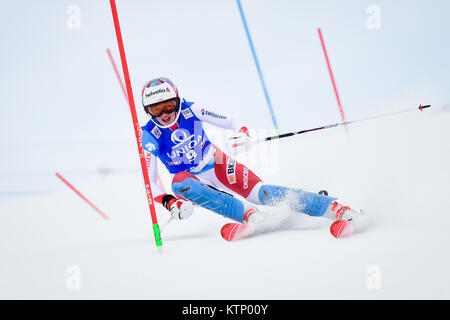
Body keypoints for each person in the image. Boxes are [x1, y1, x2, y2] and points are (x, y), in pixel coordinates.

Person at [141, 77, 368, 240]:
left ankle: (336, 209)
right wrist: (170, 202)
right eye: (156, 109)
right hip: (191, 180)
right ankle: (251, 217)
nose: (164, 114)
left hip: (217, 163)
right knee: (179, 183)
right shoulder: (151, 135)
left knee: (262, 194)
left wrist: (242, 132)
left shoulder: (192, 110)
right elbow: (150, 182)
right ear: (147, 111)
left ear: (178, 101)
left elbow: (230, 120)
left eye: (169, 105)